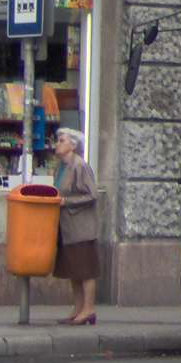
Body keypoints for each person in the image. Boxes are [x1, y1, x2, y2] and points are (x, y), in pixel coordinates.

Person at [51, 128, 100, 325]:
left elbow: (91, 195)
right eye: (57, 140)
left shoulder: (80, 166)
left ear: (73, 145)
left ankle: (88, 309)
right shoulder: (60, 166)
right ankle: (77, 308)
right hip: (67, 227)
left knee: (86, 270)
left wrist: (65, 201)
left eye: (61, 140)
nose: (57, 143)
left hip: (81, 227)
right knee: (74, 270)